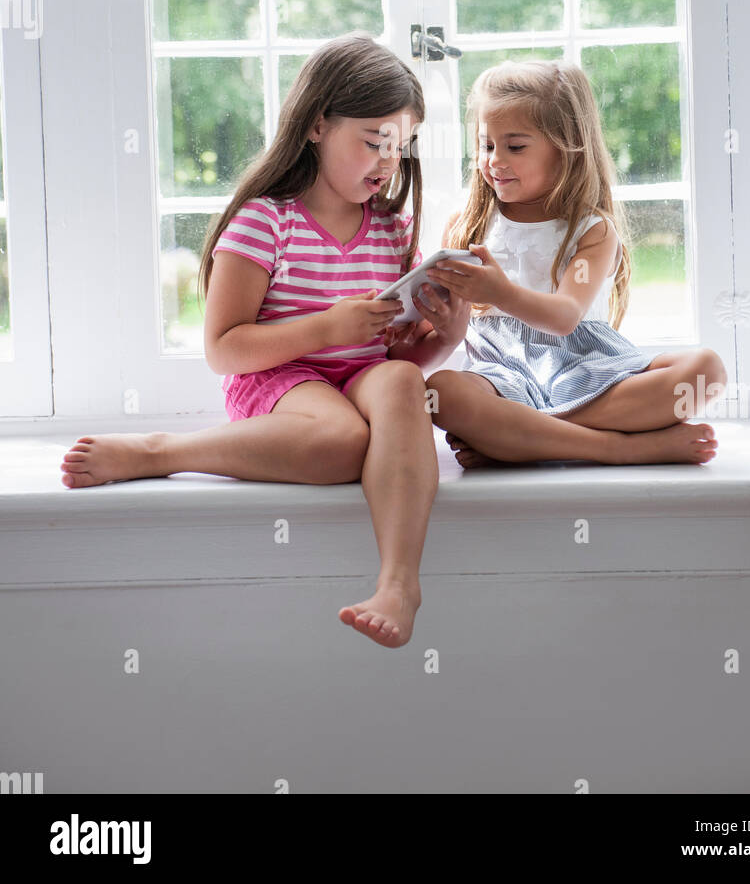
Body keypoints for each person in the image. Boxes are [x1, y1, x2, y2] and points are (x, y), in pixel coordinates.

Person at [59, 34, 469, 650]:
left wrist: (444, 337)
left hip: (359, 377)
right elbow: (224, 348)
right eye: (374, 142)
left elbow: (388, 357)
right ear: (315, 126)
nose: (389, 162)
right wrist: (326, 328)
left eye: (401, 147)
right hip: (280, 381)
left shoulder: (392, 226)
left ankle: (399, 583)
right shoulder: (266, 220)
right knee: (340, 442)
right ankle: (161, 451)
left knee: (405, 381)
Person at [423, 59, 726, 469]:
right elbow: (449, 328)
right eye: (486, 145)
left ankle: (520, 437)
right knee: (442, 392)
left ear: (566, 148)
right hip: (500, 377)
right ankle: (618, 447)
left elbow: (565, 317)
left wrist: (499, 292)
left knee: (707, 371)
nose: (495, 160)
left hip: (586, 370)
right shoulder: (466, 226)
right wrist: (434, 320)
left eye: (515, 146)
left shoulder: (591, 230)